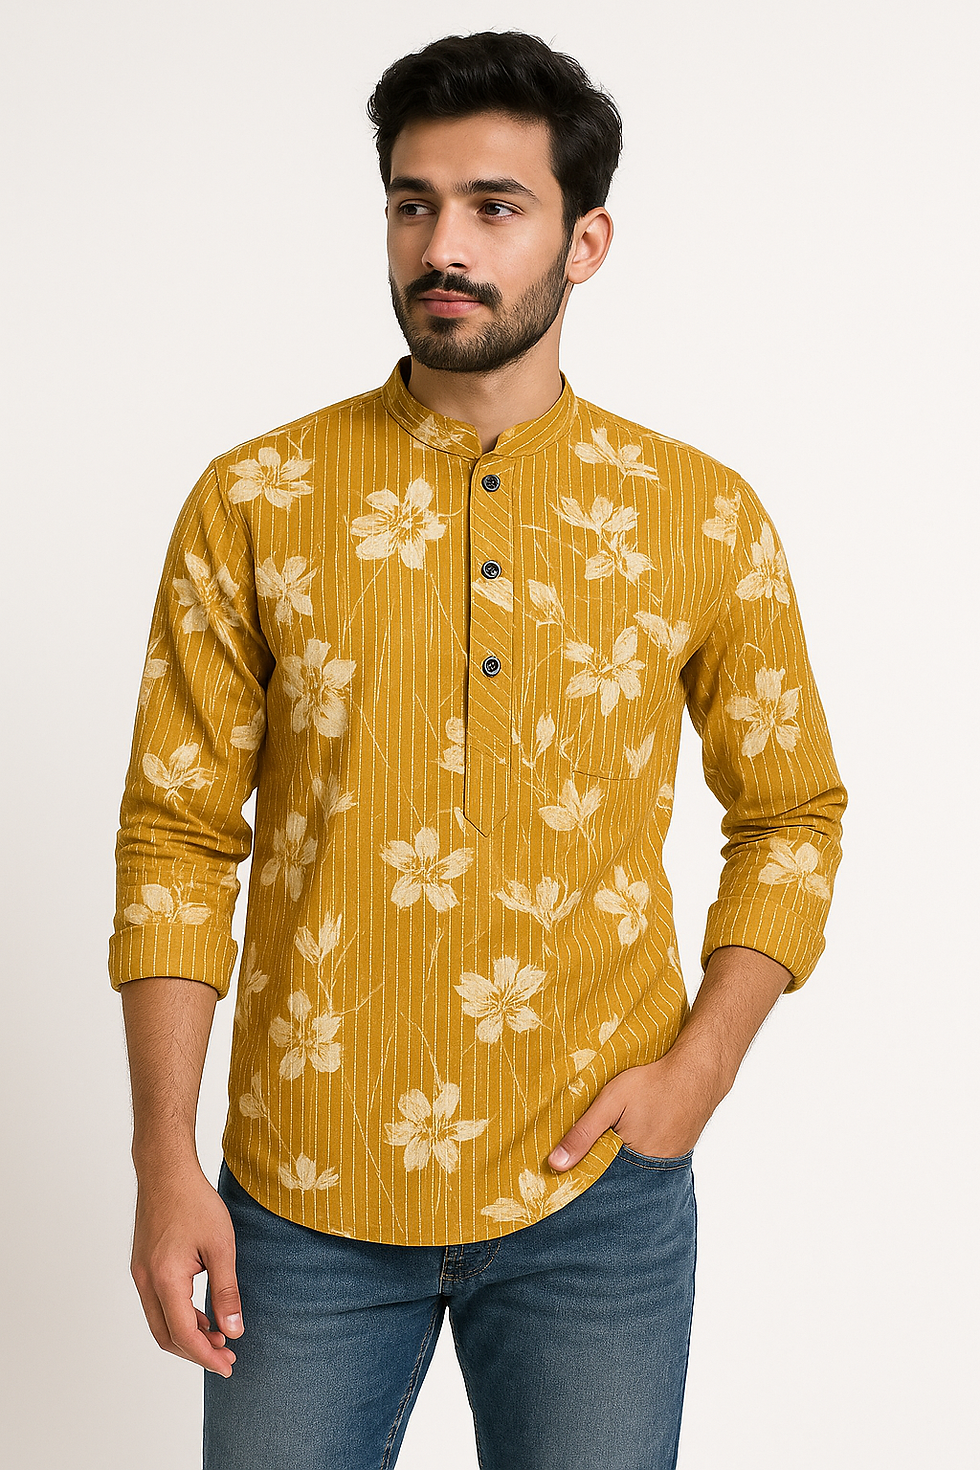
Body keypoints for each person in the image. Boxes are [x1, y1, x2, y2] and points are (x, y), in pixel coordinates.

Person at [109, 29, 847, 1470]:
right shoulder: (256, 499)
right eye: (414, 203)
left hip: (595, 1199)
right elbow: (176, 837)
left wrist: (701, 1067)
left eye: (495, 207)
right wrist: (163, 1160)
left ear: (586, 241)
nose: (443, 246)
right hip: (300, 1195)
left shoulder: (698, 515)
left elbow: (793, 812)